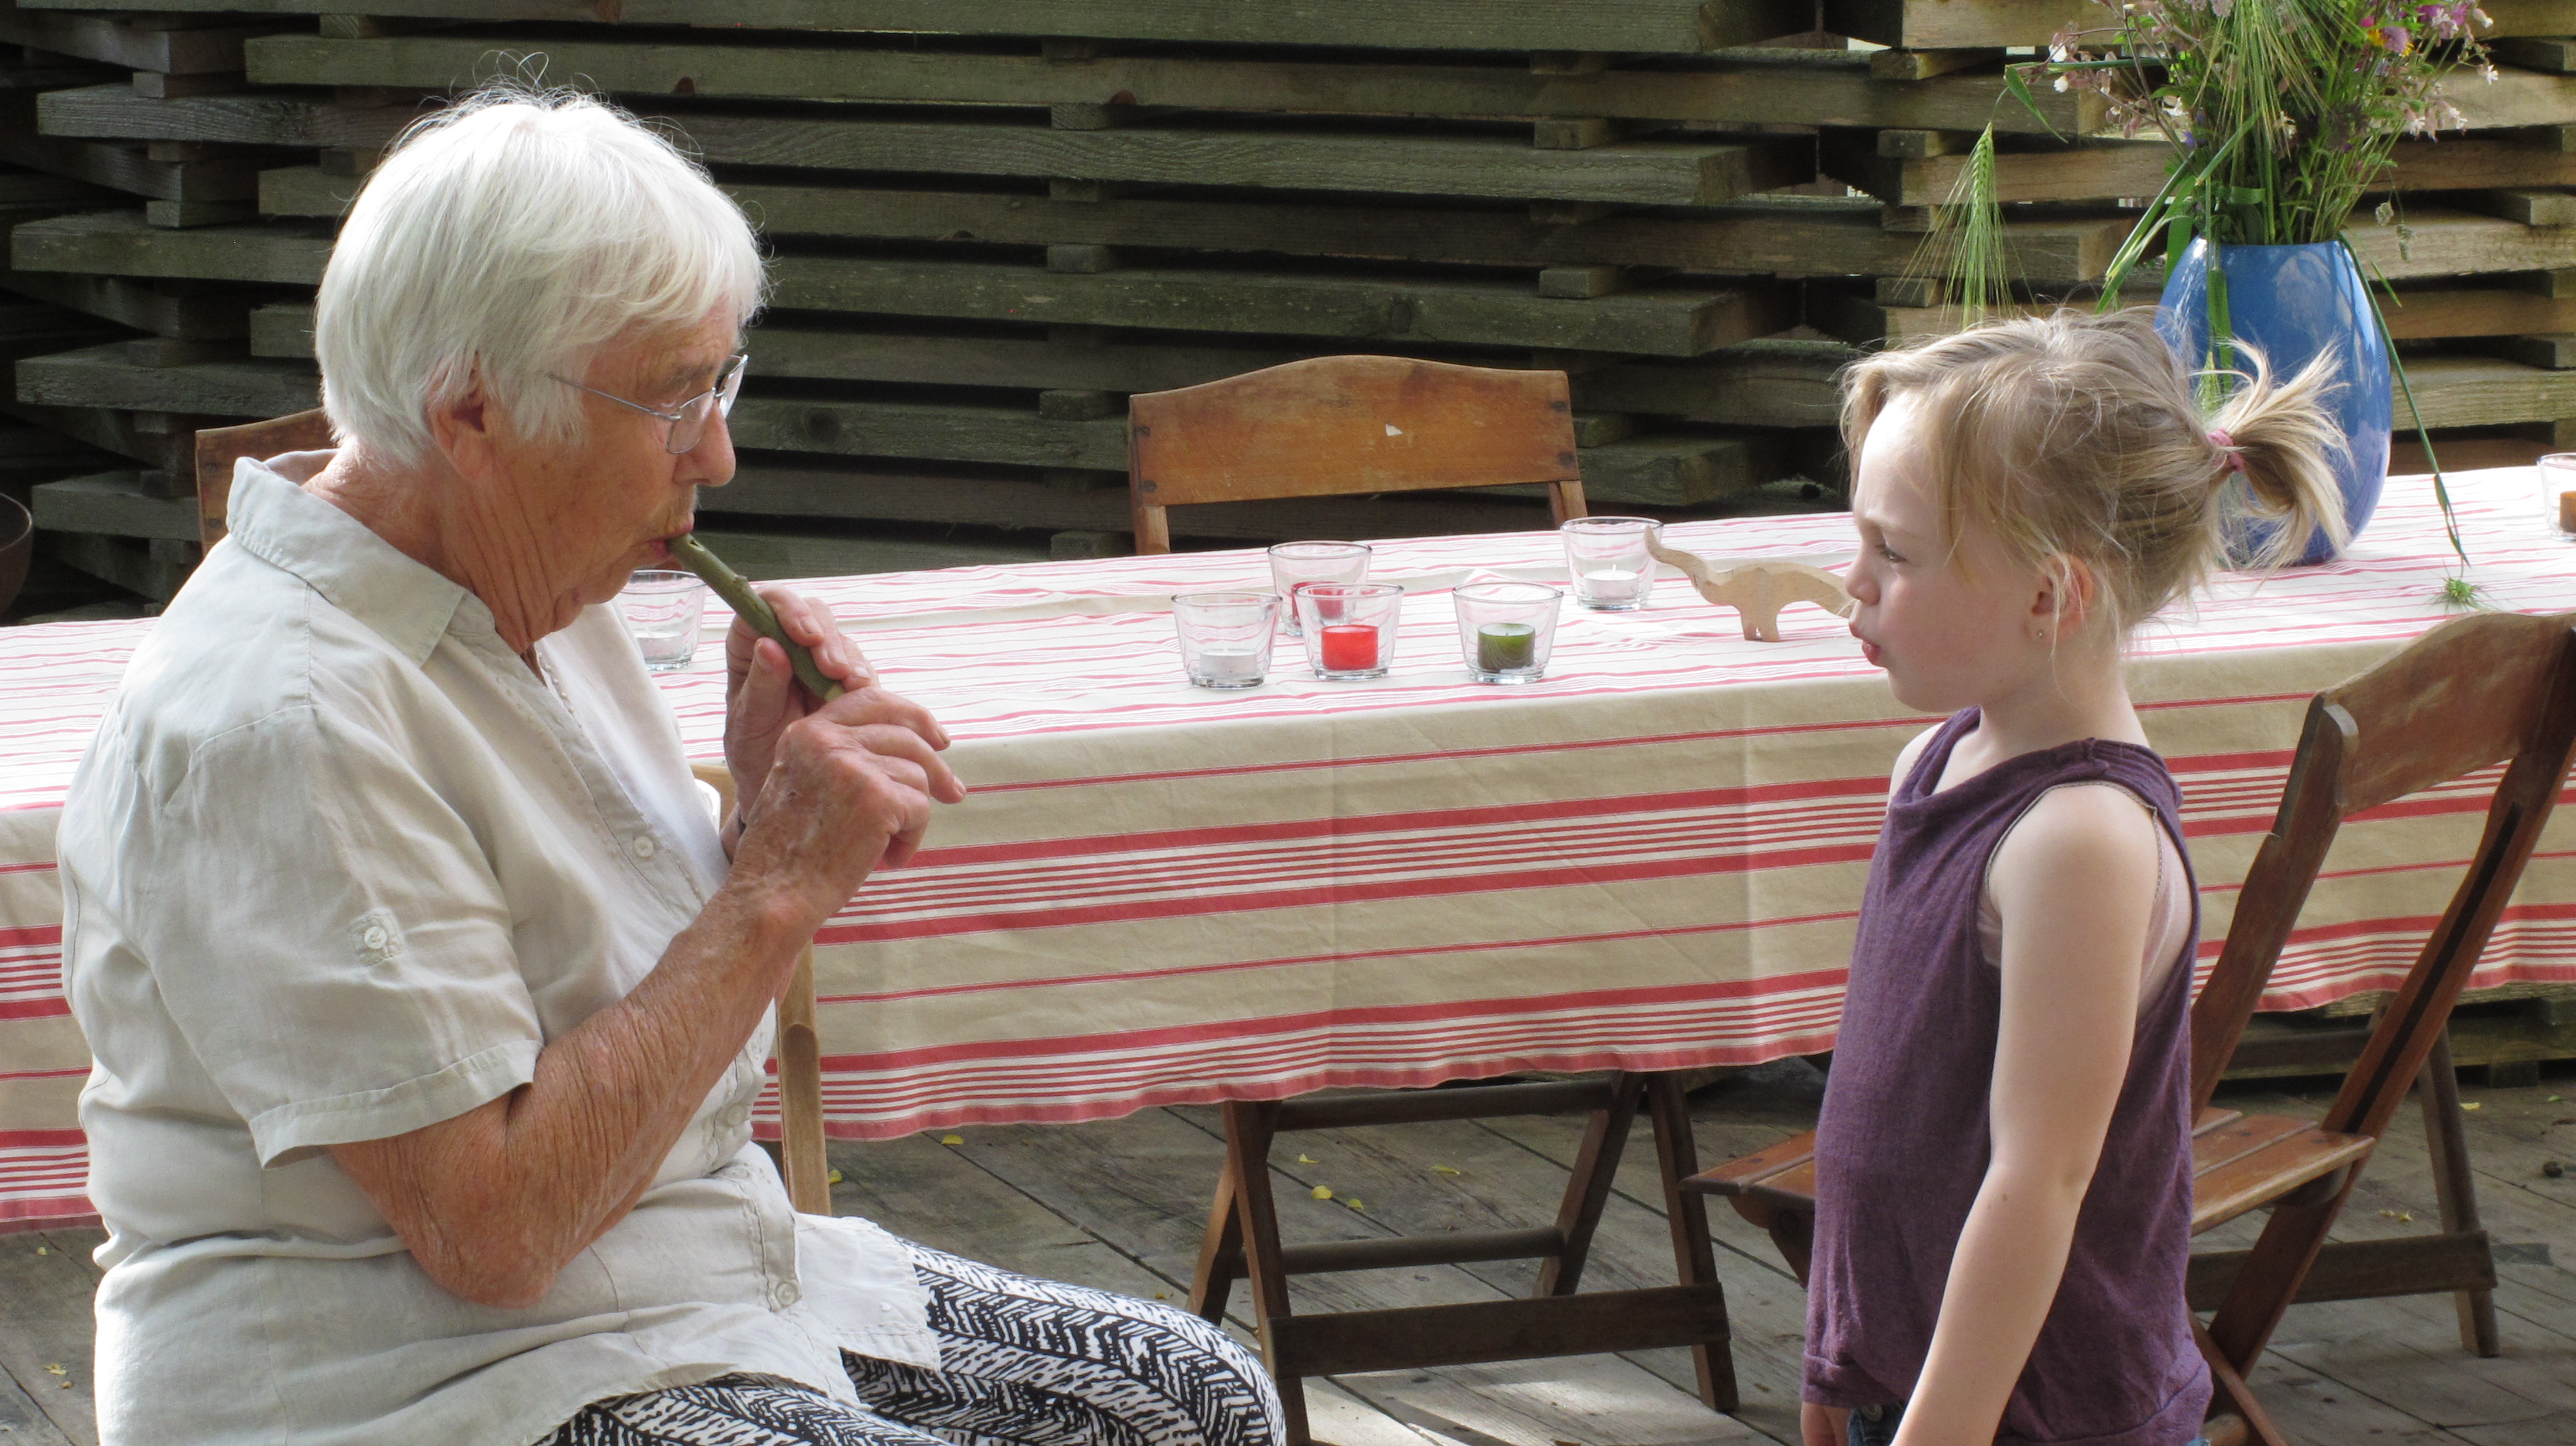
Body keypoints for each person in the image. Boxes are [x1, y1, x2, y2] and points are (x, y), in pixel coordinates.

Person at [56, 83, 1284, 1446]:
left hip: (683, 1282)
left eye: (720, 381)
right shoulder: (281, 722)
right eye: (671, 399)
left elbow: (603, 997)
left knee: (1200, 1393)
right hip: (409, 1376)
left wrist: (757, 812)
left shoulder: (533, 586)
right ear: (471, 412)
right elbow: (495, 1229)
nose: (718, 450)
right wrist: (772, 887)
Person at [1803, 309, 2346, 1446]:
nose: (1848, 582)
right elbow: (1888, 1102)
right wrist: (1838, 1365)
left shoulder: (2079, 840)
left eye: (1894, 553)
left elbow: (2041, 1177)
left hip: (2038, 1415)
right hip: (1921, 1379)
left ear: (2053, 598)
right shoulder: (1943, 758)